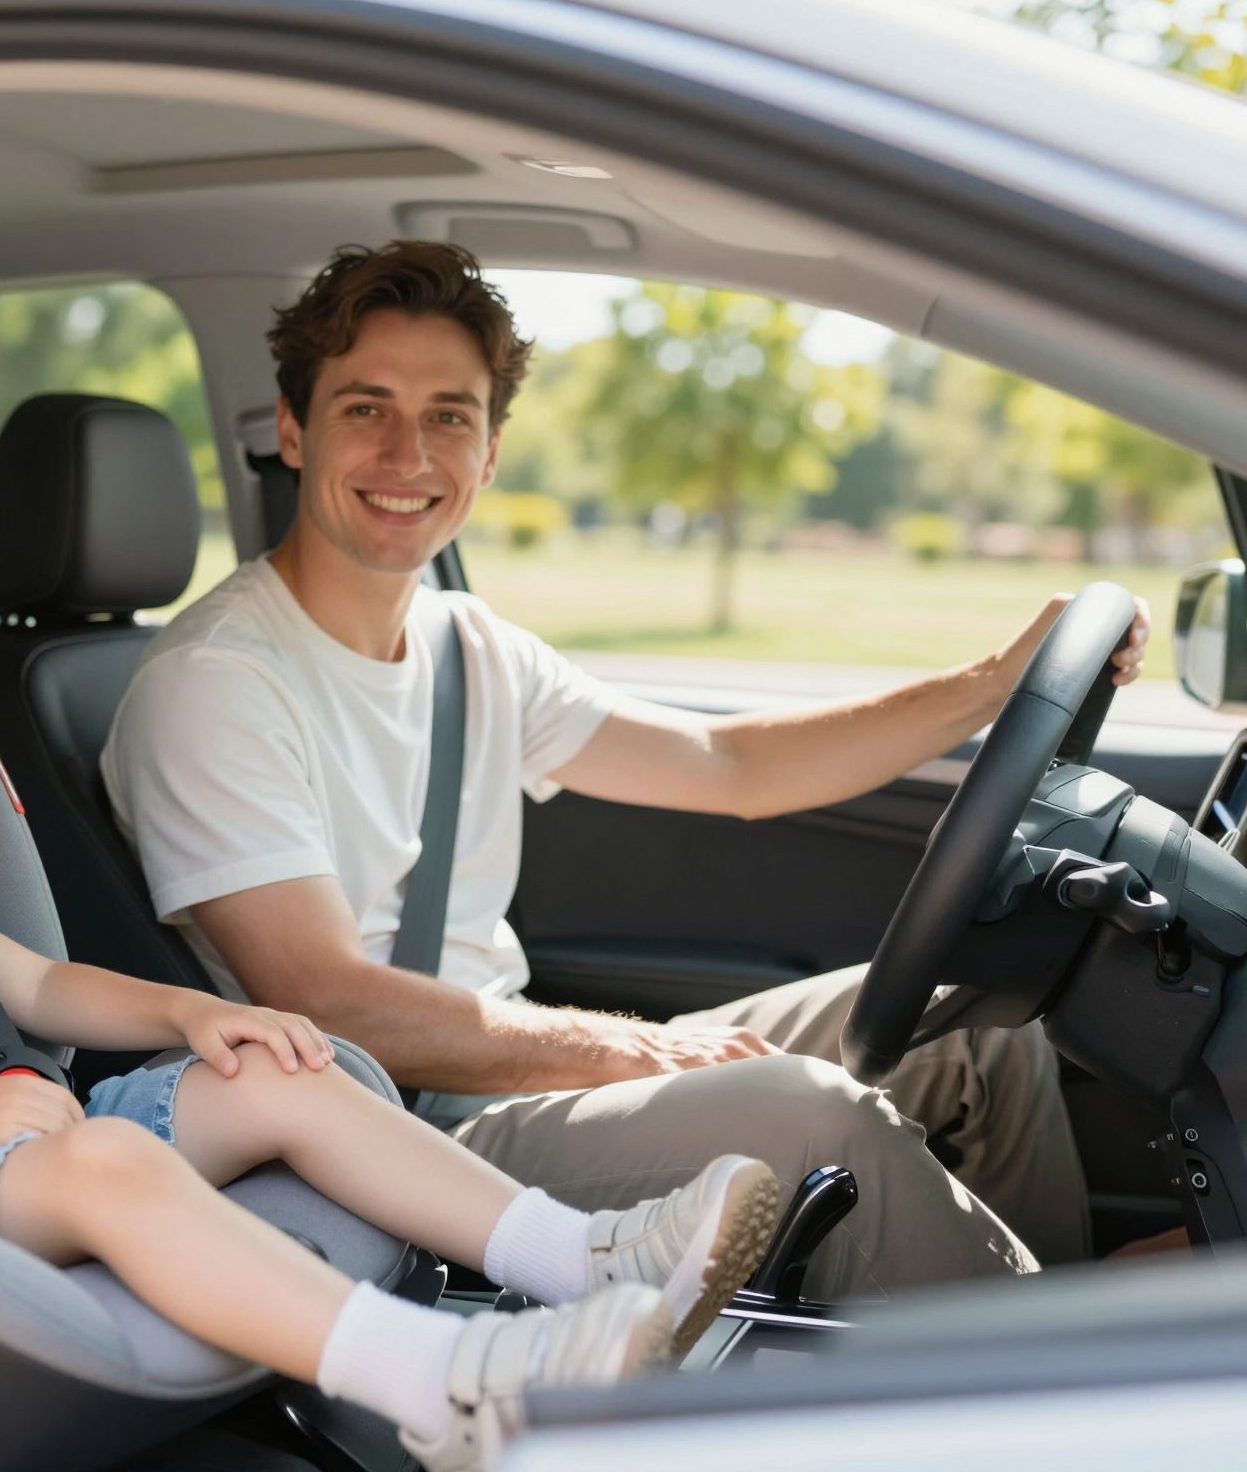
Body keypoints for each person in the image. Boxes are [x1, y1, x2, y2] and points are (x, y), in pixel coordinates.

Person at [0, 487, 784, 1472]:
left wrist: (192, 1017)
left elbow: (35, 984)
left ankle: (583, 1259)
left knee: (273, 1069)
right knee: (104, 1164)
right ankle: (447, 1383)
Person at [103, 241, 1155, 1296]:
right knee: (811, 1113)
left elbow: (731, 764)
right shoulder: (215, 683)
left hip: (500, 1083)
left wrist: (990, 682)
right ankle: (1054, 1385)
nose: (408, 455)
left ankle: (1046, 1332)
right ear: (293, 430)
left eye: (448, 416)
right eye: (364, 409)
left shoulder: (467, 646)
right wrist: (631, 1052)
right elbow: (328, 1004)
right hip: (387, 1137)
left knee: (973, 1029)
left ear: (491, 450)